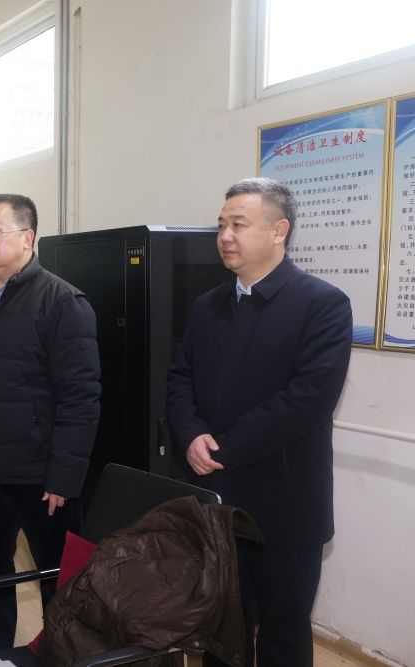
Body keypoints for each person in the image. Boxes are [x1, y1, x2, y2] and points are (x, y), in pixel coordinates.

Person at [167, 177, 352, 666]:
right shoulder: (208, 305)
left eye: (239, 224)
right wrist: (190, 435)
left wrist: (219, 449)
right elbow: (180, 377)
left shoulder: (322, 304)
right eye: (221, 225)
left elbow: (307, 401)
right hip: (216, 501)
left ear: (278, 230)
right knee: (220, 629)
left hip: (285, 508)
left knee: (282, 636)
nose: (225, 236)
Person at [0, 194, 101, 650]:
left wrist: (64, 476)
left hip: (39, 476)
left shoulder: (62, 303)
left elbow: (80, 398)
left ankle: (63, 657)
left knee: (59, 583)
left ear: (27, 238)